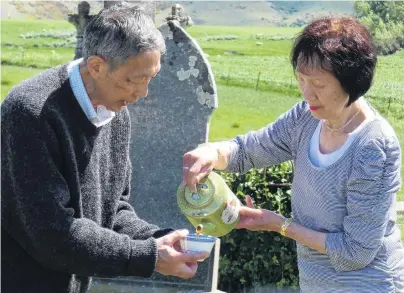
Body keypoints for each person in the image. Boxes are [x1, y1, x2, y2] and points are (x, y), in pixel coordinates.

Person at [183, 16, 404, 292]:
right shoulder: (305, 119)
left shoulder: (372, 146)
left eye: (319, 85)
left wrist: (281, 225)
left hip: (368, 284)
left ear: (352, 82)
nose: (307, 93)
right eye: (301, 79)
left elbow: (355, 252)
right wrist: (211, 152)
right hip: (315, 283)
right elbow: (247, 151)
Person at [1, 3, 207, 293]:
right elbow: (53, 235)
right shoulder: (30, 112)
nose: (143, 93)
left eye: (151, 78)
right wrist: (148, 257)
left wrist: (159, 240)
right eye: (134, 80)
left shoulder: (115, 114)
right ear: (97, 66)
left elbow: (114, 211)